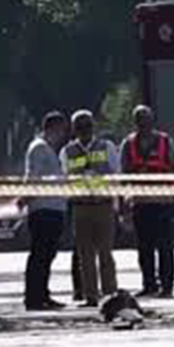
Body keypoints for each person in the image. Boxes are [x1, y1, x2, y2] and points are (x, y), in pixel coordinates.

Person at [61, 109, 120, 306]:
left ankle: (110, 293)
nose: (84, 129)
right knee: (85, 255)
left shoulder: (107, 146)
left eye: (87, 125)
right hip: (80, 207)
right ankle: (91, 296)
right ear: (74, 129)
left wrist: (117, 201)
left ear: (93, 127)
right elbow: (64, 179)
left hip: (103, 205)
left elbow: (116, 175)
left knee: (105, 253)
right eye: (80, 126)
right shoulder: (67, 151)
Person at [120, 105, 174, 297]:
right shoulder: (128, 144)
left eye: (146, 120)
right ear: (135, 122)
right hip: (141, 203)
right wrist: (124, 205)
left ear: (152, 121)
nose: (143, 124)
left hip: (163, 202)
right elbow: (123, 176)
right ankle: (149, 284)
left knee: (165, 247)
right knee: (145, 248)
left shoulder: (165, 141)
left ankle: (167, 286)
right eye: (139, 120)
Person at [22, 111, 69, 311]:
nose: (64, 134)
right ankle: (34, 296)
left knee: (48, 254)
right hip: (43, 208)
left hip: (54, 207)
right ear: (53, 127)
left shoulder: (49, 149)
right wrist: (27, 198)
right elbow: (34, 176)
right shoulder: (39, 148)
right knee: (40, 254)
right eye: (61, 129)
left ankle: (43, 293)